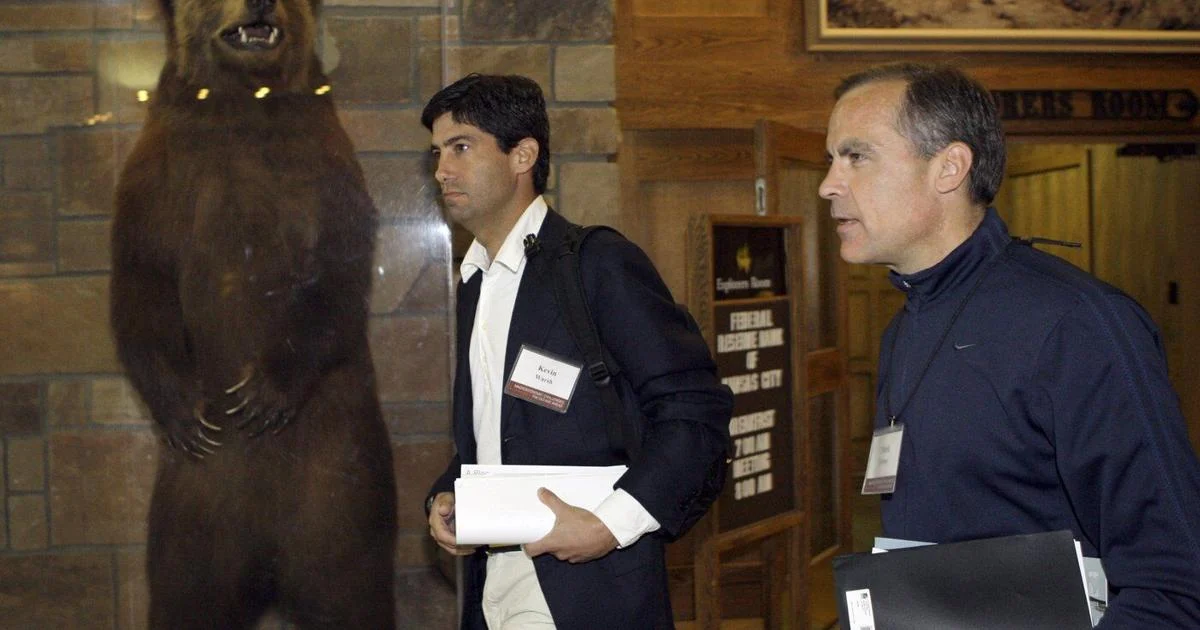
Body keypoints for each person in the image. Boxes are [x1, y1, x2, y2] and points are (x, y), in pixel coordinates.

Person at [819, 62, 1200, 627]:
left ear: (949, 168)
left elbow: (1173, 581)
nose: (828, 184)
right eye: (832, 159)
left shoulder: (1077, 324)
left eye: (856, 156)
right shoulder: (905, 326)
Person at [421, 73, 733, 630]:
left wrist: (609, 525)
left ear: (523, 155)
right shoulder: (475, 282)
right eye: (437, 152)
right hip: (492, 590)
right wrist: (449, 492)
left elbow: (695, 412)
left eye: (461, 147)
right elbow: (500, 432)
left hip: (590, 592)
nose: (442, 169)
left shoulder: (598, 263)